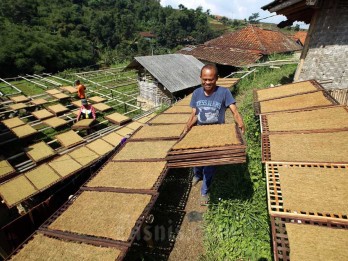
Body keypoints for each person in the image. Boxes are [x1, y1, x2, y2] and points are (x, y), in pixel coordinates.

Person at [184, 64, 245, 206]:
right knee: (197, 158)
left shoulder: (224, 93)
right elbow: (194, 114)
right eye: (204, 79)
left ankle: (205, 191)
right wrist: (186, 128)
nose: (207, 82)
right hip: (199, 132)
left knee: (210, 165)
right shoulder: (196, 93)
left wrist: (240, 122)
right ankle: (197, 175)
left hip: (217, 134)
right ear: (200, 78)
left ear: (216, 78)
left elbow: (234, 110)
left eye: (210, 79)